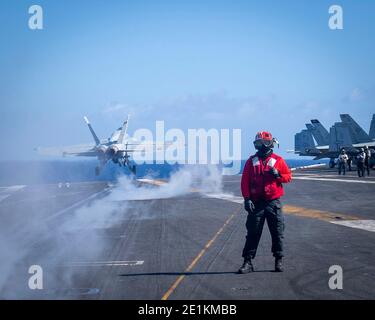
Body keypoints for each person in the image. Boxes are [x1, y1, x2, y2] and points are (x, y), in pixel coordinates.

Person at [239, 131, 292, 273]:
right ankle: (247, 262)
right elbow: (245, 182)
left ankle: (278, 260)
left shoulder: (278, 160)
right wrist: (247, 199)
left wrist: (278, 175)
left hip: (273, 203)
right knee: (252, 233)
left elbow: (288, 176)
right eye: (258, 144)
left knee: (277, 232)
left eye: (264, 143)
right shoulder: (251, 161)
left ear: (269, 143)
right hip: (256, 204)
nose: (261, 146)